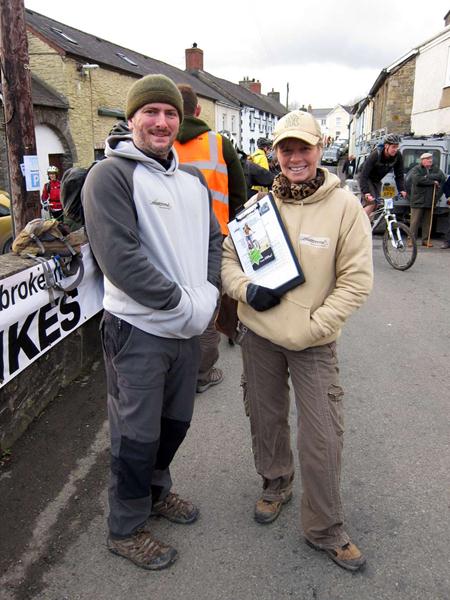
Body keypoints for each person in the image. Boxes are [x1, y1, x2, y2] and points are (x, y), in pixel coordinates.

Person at [222, 110, 373, 572]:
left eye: (303, 148)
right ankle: (276, 483)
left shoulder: (344, 207)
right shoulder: (259, 205)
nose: (294, 158)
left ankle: (324, 527)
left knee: (323, 435)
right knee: (265, 416)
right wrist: (246, 290)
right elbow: (228, 261)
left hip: (314, 342)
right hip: (259, 336)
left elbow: (356, 282)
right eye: (286, 149)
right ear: (275, 154)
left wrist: (314, 326)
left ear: (319, 149)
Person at [82, 74, 222, 571]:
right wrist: (183, 303)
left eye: (169, 114)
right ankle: (125, 528)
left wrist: (207, 294)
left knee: (173, 426)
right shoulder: (110, 177)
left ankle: (157, 493)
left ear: (179, 121)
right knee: (134, 436)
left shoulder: (192, 181)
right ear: (132, 118)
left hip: (186, 329)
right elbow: (120, 260)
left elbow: (212, 240)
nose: (161, 122)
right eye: (151, 113)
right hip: (137, 330)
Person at [173, 84, 246, 393]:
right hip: (214, 240)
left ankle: (174, 369)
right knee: (208, 304)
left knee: (175, 302)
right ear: (199, 110)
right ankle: (202, 374)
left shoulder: (159, 143)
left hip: (171, 239)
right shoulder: (219, 144)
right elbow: (239, 194)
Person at [358, 134, 407, 217]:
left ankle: (369, 223)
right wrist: (366, 192)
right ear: (386, 146)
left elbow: (399, 175)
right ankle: (359, 222)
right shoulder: (376, 155)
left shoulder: (398, 156)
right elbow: (364, 175)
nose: (395, 150)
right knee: (371, 203)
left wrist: (402, 189)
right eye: (393, 147)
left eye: (397, 147)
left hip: (376, 180)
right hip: (365, 177)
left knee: (377, 204)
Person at [409, 152, 446, 248]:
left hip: (430, 199)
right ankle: (411, 240)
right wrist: (433, 182)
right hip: (418, 199)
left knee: (428, 222)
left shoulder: (436, 169)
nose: (430, 160)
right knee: (414, 222)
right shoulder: (416, 169)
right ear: (422, 160)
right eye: (428, 159)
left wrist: (427, 177)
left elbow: (441, 177)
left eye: (431, 159)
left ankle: (426, 240)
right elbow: (417, 180)